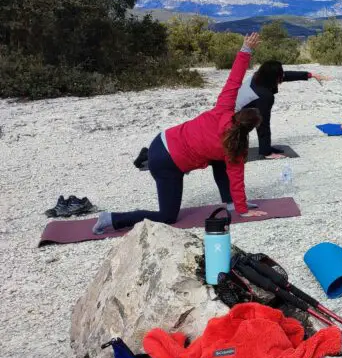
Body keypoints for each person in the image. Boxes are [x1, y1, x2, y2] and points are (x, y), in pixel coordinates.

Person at [93, 34, 269, 233]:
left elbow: (234, 80)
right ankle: (111, 218)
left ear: (238, 114)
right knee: (168, 217)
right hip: (166, 163)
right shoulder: (237, 148)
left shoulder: (223, 109)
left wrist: (246, 49)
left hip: (162, 140)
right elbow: (237, 178)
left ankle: (229, 202)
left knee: (221, 160)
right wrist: (243, 210)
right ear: (250, 130)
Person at [235, 61, 328, 159]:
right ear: (274, 77)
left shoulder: (259, 77)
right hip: (232, 121)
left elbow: (285, 75)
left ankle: (266, 147)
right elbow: (263, 125)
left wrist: (311, 75)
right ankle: (265, 151)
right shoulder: (264, 95)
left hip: (235, 113)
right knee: (262, 121)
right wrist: (266, 152)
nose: (282, 75)